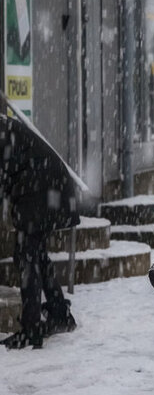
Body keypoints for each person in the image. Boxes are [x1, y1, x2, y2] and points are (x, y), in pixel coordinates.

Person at [1, 105, 80, 350]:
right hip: (50, 189)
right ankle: (58, 313)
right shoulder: (5, 128)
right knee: (35, 255)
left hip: (43, 192)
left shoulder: (3, 132)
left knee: (26, 257)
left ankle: (32, 328)